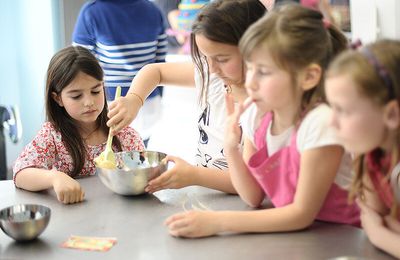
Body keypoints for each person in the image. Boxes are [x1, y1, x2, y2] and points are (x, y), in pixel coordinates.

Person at [164, 4, 360, 238]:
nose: (251, 82)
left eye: (264, 72)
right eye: (251, 68)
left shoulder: (320, 123)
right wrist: (230, 147)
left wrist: (219, 221)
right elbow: (252, 195)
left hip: (341, 237)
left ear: (308, 77)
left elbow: (301, 213)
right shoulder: (254, 117)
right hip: (295, 236)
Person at [107, 0, 266, 194]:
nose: (212, 67)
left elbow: (250, 185)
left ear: (254, 48)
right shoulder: (214, 77)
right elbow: (154, 71)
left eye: (222, 59)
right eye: (205, 56)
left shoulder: (261, 106)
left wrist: (194, 175)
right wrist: (134, 99)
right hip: (206, 195)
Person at [13, 46, 144, 204]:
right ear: (58, 99)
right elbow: (21, 173)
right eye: (76, 96)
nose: (89, 102)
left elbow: (142, 175)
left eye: (96, 91)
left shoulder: (124, 135)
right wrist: (54, 177)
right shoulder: (52, 136)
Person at [325, 39, 400, 259]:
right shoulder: (374, 152)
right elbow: (376, 215)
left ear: (392, 115)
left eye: (343, 110)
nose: (331, 122)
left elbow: (377, 226)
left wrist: (380, 235)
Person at [72, 0, 167, 146]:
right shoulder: (153, 10)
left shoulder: (91, 12)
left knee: (109, 163)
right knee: (139, 159)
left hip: (111, 106)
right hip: (147, 103)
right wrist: (157, 94)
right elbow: (160, 61)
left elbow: (78, 67)